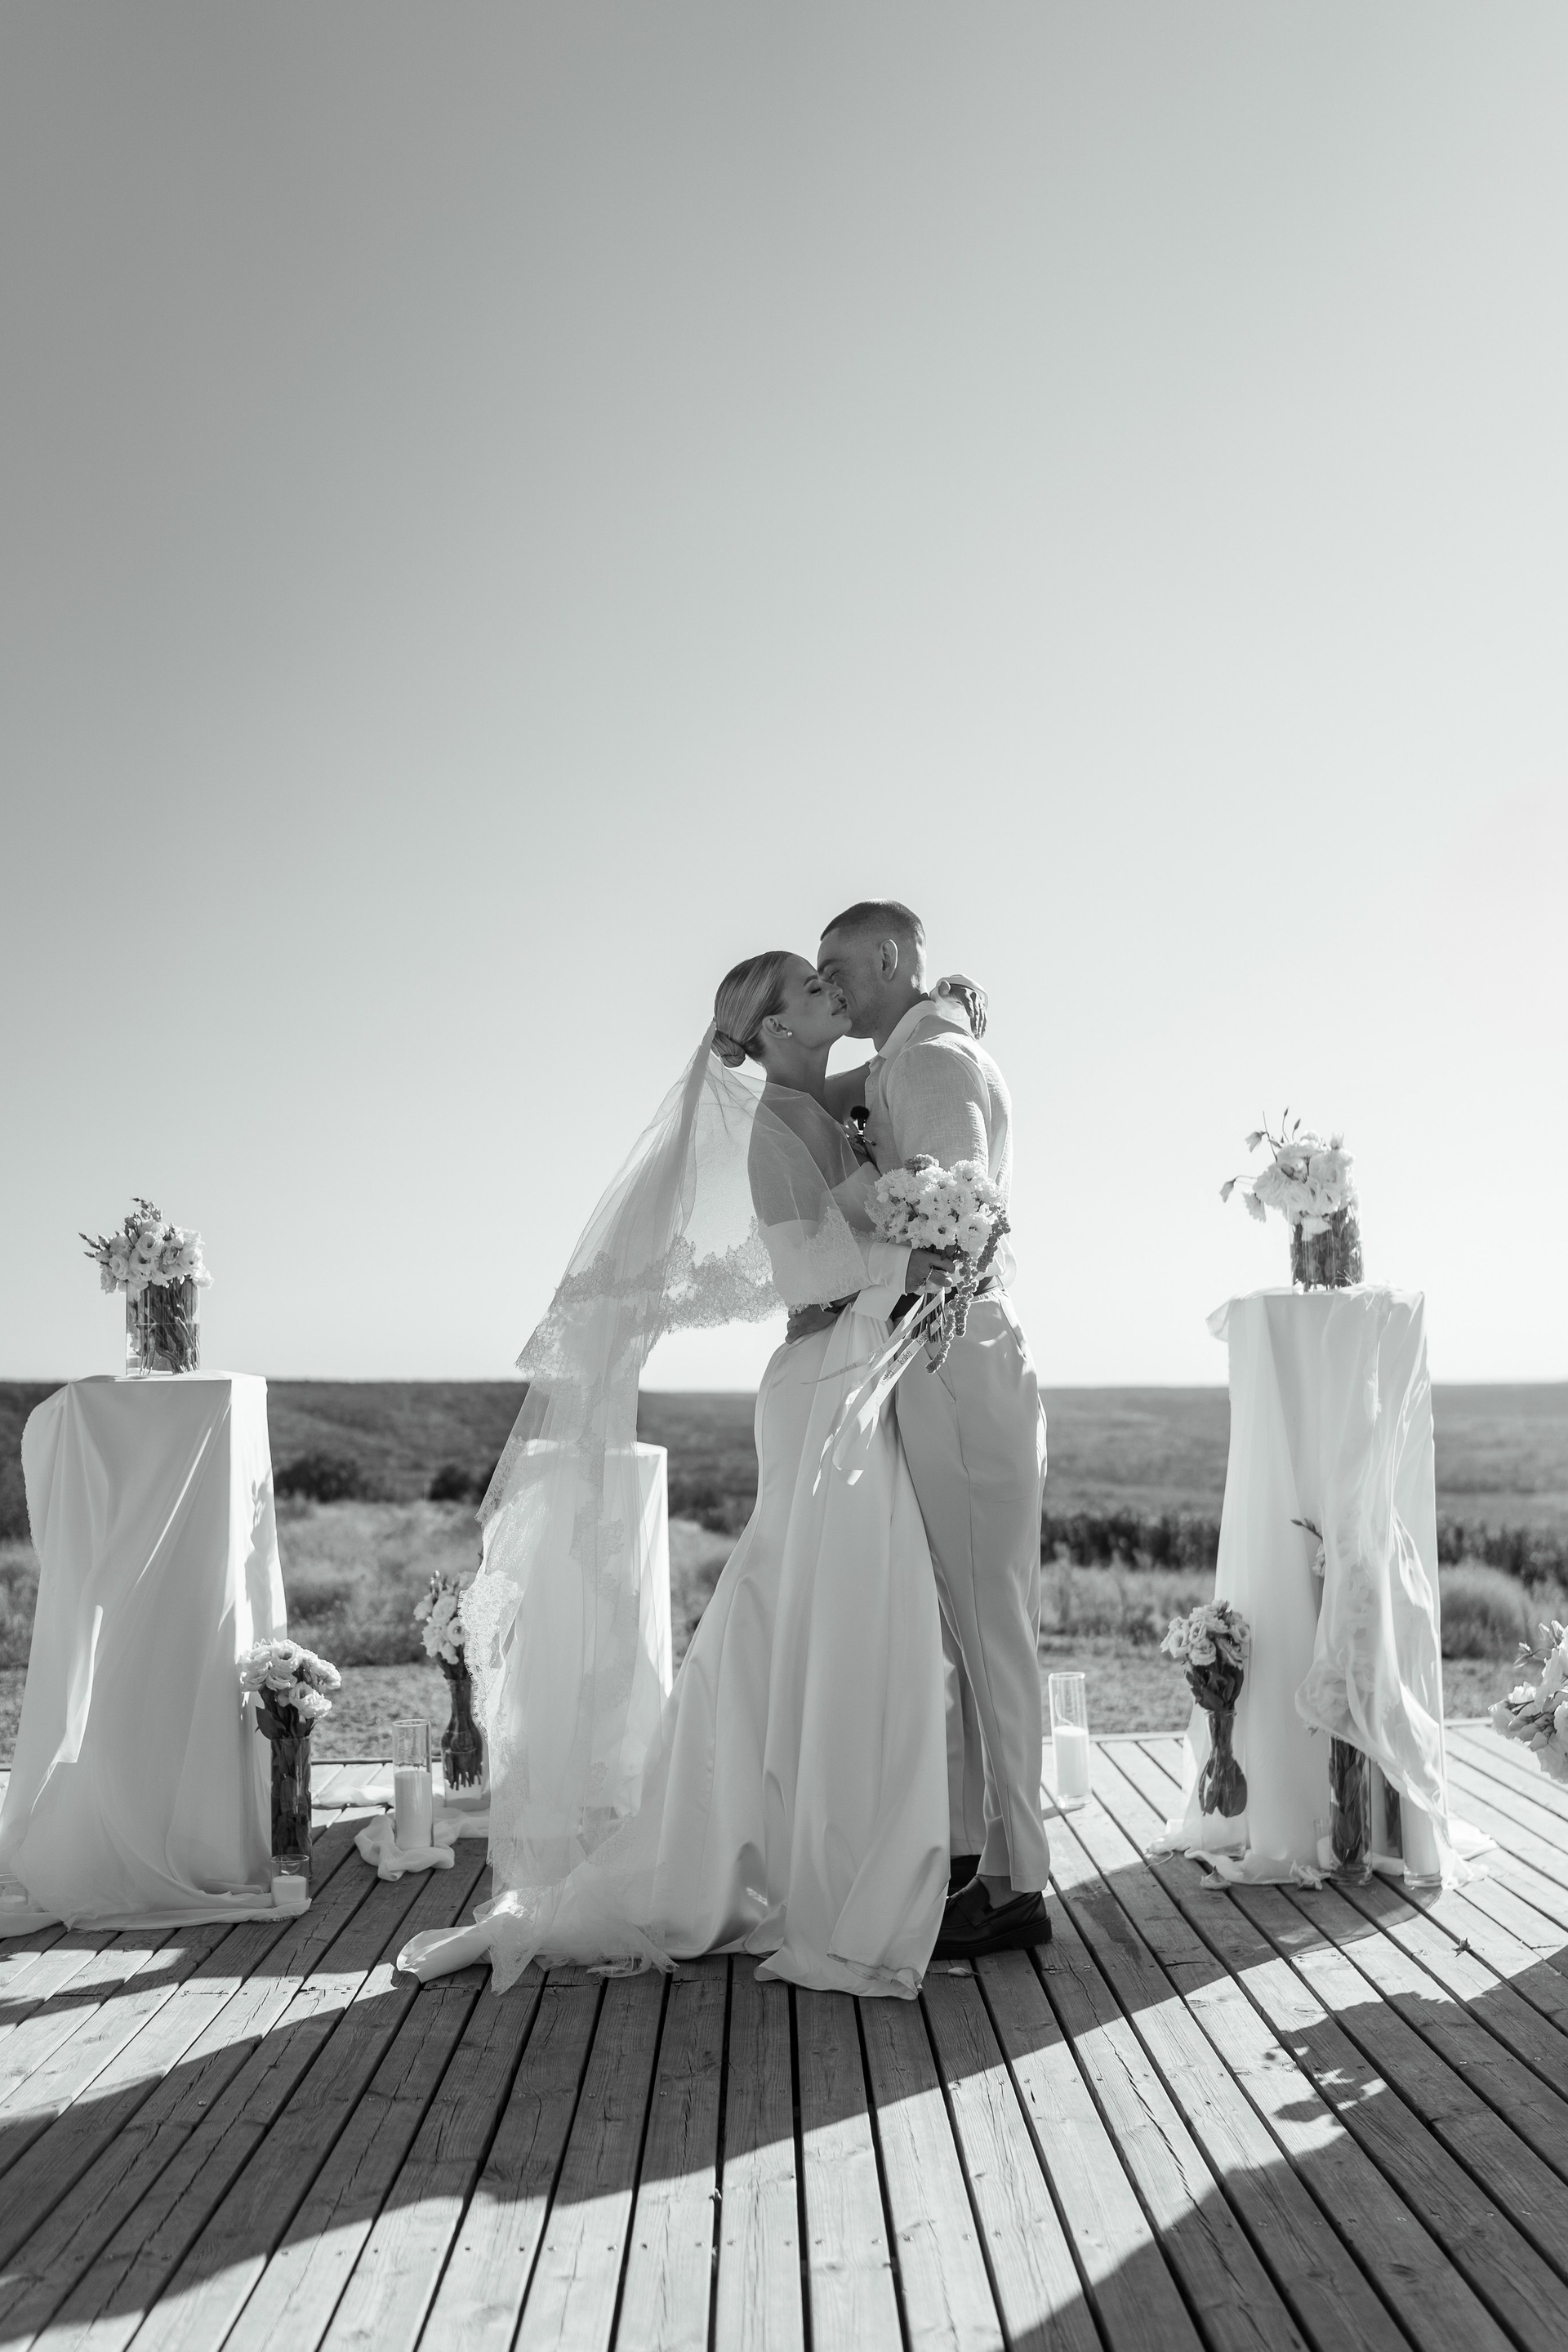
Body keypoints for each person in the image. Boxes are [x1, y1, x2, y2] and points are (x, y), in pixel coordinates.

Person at [399, 951, 977, 1998]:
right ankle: (778, 1855)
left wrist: (948, 1010)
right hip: (819, 1381)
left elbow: (895, 1063)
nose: (834, 994)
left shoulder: (816, 1101)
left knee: (814, 1611)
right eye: (813, 990)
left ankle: (810, 1845)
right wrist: (912, 1256)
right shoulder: (778, 1125)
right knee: (805, 1605)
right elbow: (806, 1268)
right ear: (775, 1029)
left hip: (848, 1373)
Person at [817, 899, 1051, 1959]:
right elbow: (814, 1098)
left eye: (836, 969)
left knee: (988, 1622)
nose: (830, 988)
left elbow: (956, 1225)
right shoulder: (913, 1056)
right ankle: (974, 1856)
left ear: (887, 956)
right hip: (951, 1348)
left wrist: (872, 1269)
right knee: (962, 1621)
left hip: (952, 1347)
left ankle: (1016, 1883)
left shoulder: (928, 1065)